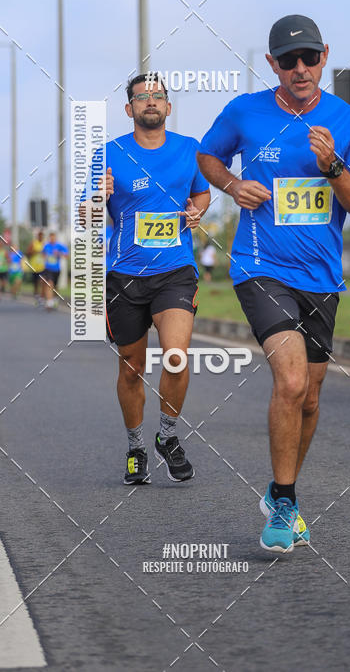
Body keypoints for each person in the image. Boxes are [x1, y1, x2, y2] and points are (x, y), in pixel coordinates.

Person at [198, 14, 350, 552]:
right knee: (292, 382)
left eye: (309, 58)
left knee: (311, 397)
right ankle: (283, 501)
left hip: (321, 276)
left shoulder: (348, 121)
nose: (300, 69)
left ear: (324, 55)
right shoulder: (245, 111)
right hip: (261, 268)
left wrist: (333, 167)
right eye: (287, 60)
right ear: (272, 64)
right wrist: (232, 185)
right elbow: (207, 155)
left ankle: (283, 491)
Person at [88, 74, 210, 486]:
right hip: (125, 275)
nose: (151, 101)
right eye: (142, 97)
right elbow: (87, 216)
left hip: (175, 270)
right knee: (131, 369)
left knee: (176, 356)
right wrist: (98, 198)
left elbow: (202, 193)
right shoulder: (108, 154)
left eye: (158, 96)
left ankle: (168, 436)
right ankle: (136, 447)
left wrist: (197, 210)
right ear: (130, 109)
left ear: (168, 106)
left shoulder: (190, 149)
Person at [41, 232, 68, 310]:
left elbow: (66, 256)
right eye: (51, 237)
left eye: (53, 238)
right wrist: (44, 257)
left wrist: (59, 253)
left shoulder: (59, 246)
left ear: (55, 238)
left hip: (56, 269)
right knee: (49, 284)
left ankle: (55, 299)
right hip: (48, 269)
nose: (52, 239)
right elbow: (43, 254)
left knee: (55, 286)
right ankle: (49, 302)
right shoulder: (46, 246)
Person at [28, 230, 46, 304]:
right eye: (39, 236)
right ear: (37, 236)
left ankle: (42, 297)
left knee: (42, 281)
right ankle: (36, 295)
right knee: (36, 283)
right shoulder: (33, 243)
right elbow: (28, 252)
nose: (41, 237)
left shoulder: (45, 244)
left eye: (42, 236)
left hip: (43, 266)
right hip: (34, 267)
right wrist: (35, 251)